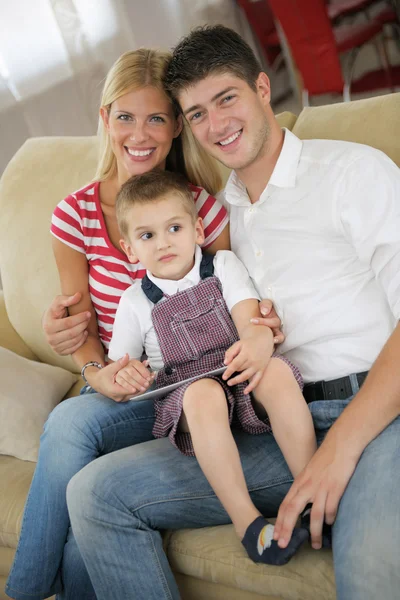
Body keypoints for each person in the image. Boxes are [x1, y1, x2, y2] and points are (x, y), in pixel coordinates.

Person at [65, 25, 400, 600]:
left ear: (263, 89)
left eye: (226, 99)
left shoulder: (352, 173)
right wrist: (81, 345)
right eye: (195, 114)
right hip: (271, 418)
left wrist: (337, 453)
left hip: (374, 417)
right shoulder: (217, 221)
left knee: (369, 575)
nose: (215, 125)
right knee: (95, 494)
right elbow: (157, 294)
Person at [6, 47, 274, 600]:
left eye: (157, 117)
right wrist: (92, 365)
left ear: (176, 126)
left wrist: (260, 321)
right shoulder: (74, 215)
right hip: (121, 387)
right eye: (125, 116)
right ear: (105, 119)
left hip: (196, 385)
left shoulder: (200, 210)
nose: (140, 133)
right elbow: (77, 325)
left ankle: (24, 592)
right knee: (78, 424)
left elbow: (226, 296)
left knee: (80, 475)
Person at [106, 169, 315, 565]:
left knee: (276, 370)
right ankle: (248, 524)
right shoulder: (134, 301)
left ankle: (311, 496)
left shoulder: (222, 265)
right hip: (188, 395)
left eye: (174, 228)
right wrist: (127, 374)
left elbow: (247, 319)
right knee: (203, 394)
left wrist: (256, 346)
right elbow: (123, 365)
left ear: (198, 229)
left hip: (239, 373)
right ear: (129, 249)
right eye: (147, 235)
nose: (164, 243)